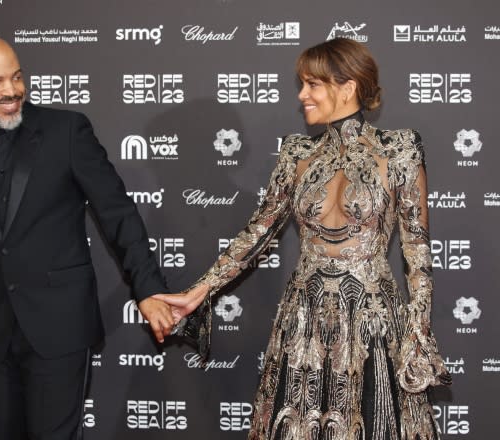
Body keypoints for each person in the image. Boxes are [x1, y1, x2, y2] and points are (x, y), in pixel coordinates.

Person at [155, 38, 451, 440]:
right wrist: (198, 292)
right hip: (304, 319)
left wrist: (418, 331)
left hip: (372, 322)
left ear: (346, 87)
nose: (302, 95)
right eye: (303, 84)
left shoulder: (399, 151)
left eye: (313, 84)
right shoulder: (297, 154)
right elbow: (258, 232)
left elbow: (417, 253)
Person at [0, 35, 174, 440]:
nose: (11, 91)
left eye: (17, 77)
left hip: (59, 328)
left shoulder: (66, 131)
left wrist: (147, 288)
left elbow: (117, 213)